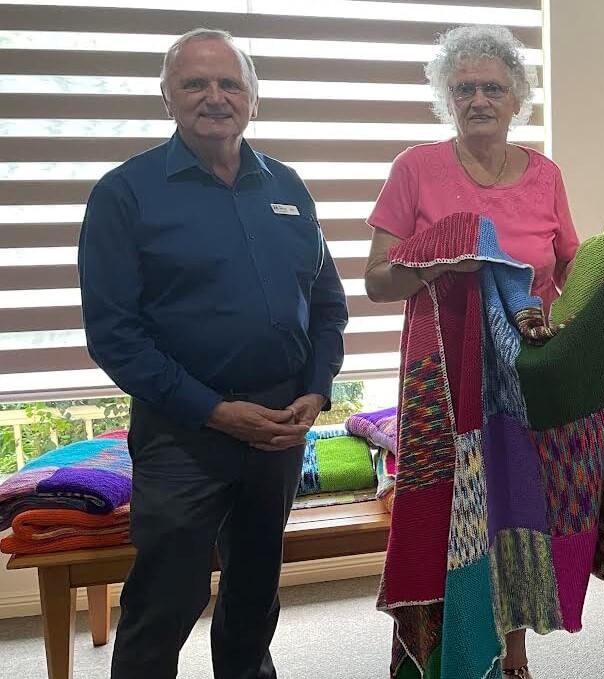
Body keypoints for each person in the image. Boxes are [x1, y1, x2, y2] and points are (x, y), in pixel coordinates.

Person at [79, 28, 348, 679]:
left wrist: (315, 390)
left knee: (255, 591)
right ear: (167, 96)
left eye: (230, 83)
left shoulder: (286, 186)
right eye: (195, 83)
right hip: (183, 431)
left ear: (253, 98)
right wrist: (217, 411)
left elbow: (328, 304)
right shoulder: (125, 194)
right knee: (167, 599)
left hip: (279, 429)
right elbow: (114, 334)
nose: (214, 96)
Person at [363, 24, 578, 679]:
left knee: (513, 512)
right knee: (444, 518)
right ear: (445, 98)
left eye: (492, 87)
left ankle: (512, 656)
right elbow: (376, 280)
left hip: (522, 379)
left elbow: (570, 268)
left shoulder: (545, 176)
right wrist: (439, 257)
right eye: (464, 88)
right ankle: (441, 659)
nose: (479, 98)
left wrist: (559, 319)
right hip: (443, 381)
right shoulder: (415, 169)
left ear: (517, 99)